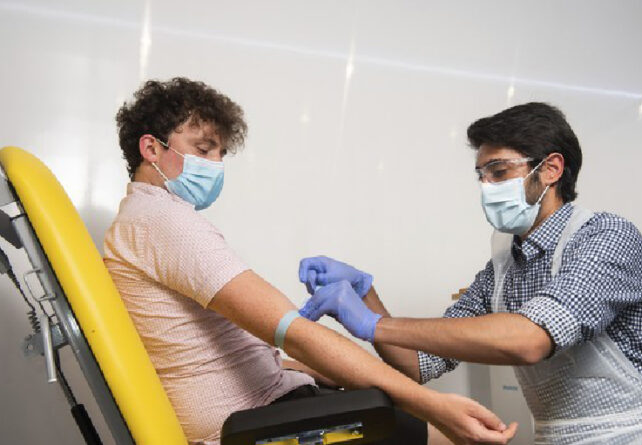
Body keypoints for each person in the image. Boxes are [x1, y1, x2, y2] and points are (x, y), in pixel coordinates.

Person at [103, 77, 517, 445]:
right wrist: (434, 406)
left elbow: (210, 347)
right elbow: (294, 332)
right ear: (151, 148)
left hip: (265, 400)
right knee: (448, 435)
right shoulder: (164, 223)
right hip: (254, 419)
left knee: (399, 406)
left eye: (220, 153)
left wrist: (305, 368)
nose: (215, 165)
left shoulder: (140, 221)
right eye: (203, 149)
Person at [299, 102, 642, 444]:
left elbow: (530, 338)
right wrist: (366, 292)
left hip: (638, 435)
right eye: (481, 176)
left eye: (499, 172)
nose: (486, 187)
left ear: (552, 168)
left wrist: (373, 325)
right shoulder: (502, 268)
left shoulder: (607, 237)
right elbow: (419, 364)